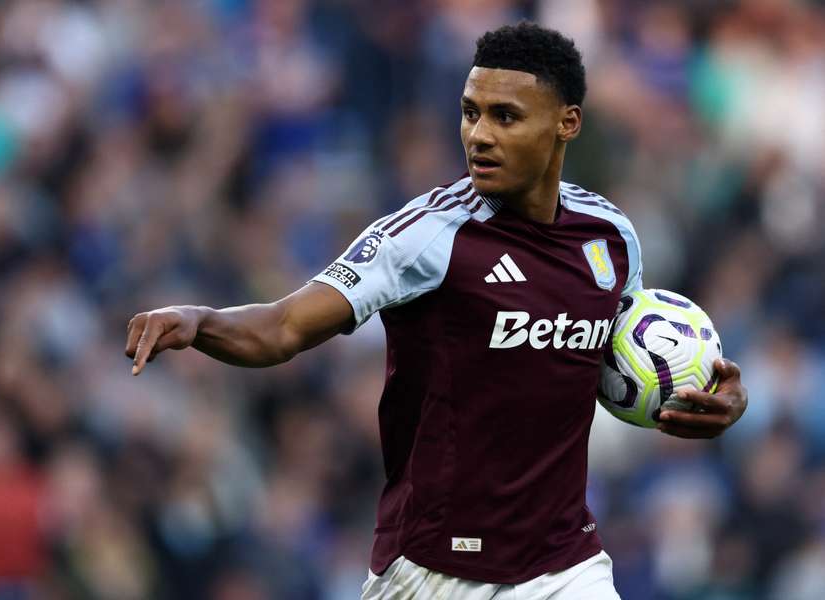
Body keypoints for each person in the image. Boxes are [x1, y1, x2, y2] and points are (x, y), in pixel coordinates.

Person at [125, 21, 748, 600]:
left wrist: (712, 398)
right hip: (433, 570)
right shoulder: (426, 237)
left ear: (567, 123)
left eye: (505, 117)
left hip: (563, 566)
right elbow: (285, 327)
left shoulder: (610, 238)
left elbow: (639, 357)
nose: (480, 134)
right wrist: (202, 320)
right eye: (470, 113)